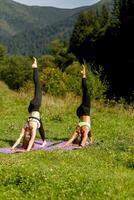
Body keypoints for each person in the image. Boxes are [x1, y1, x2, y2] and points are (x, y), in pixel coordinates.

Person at [11, 57, 46, 151]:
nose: (25, 134)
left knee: (37, 85)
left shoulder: (26, 127)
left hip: (34, 106)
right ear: (29, 134)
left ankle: (35, 67)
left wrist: (13, 148)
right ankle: (44, 140)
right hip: (32, 108)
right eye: (27, 135)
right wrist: (27, 150)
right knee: (37, 85)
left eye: (25, 135)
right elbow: (31, 140)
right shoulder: (32, 128)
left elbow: (20, 139)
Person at [64, 64, 93, 147]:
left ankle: (84, 75)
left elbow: (76, 139)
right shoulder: (81, 130)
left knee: (85, 92)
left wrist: (64, 146)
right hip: (80, 112)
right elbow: (80, 139)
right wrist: (82, 144)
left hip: (84, 110)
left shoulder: (81, 130)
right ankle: (83, 75)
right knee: (85, 92)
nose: (79, 134)